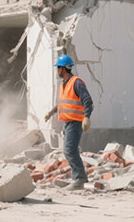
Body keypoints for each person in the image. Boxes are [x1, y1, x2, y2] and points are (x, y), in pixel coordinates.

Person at [44, 54, 94, 190]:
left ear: (63, 69)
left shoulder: (76, 82)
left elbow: (87, 100)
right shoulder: (63, 85)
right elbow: (63, 103)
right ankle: (78, 177)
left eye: (58, 68)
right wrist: (51, 112)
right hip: (67, 122)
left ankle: (79, 179)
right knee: (69, 151)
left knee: (70, 151)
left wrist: (87, 117)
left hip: (75, 122)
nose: (57, 71)